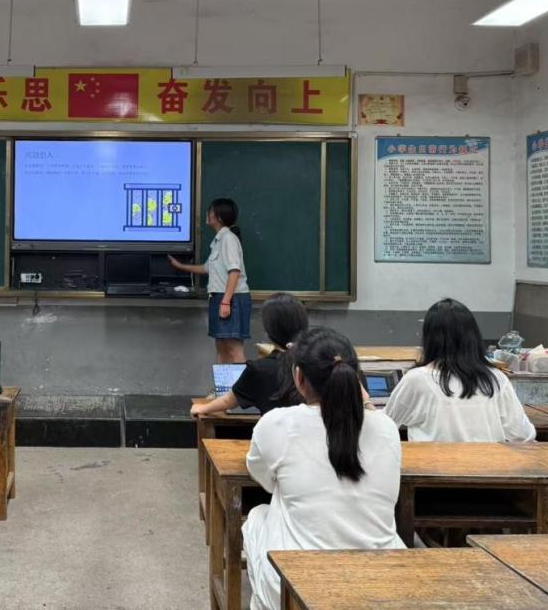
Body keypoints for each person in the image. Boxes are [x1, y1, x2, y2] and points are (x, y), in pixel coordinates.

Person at [243, 328, 404, 610]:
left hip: (299, 586)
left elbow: (263, 479)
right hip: (380, 584)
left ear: (298, 377)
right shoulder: (386, 428)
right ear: (355, 377)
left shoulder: (278, 423)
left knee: (257, 516)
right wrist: (365, 401)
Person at [385, 298, 536, 442]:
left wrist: (370, 407)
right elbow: (522, 435)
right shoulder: (495, 378)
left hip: (433, 461)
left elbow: (386, 424)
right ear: (473, 336)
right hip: (487, 460)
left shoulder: (417, 379)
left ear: (429, 338)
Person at [191, 293, 306, 417]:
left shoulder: (260, 369)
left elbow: (228, 401)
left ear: (268, 331)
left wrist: (201, 408)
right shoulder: (314, 360)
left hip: (273, 428)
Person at [169, 197, 251, 365]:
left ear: (218, 217)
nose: (207, 214)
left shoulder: (228, 239)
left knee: (234, 348)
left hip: (231, 298)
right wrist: (180, 266)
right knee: (221, 346)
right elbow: (207, 268)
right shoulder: (219, 240)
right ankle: (221, 383)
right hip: (220, 297)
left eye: (210, 211)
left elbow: (235, 271)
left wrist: (226, 302)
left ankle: (241, 383)